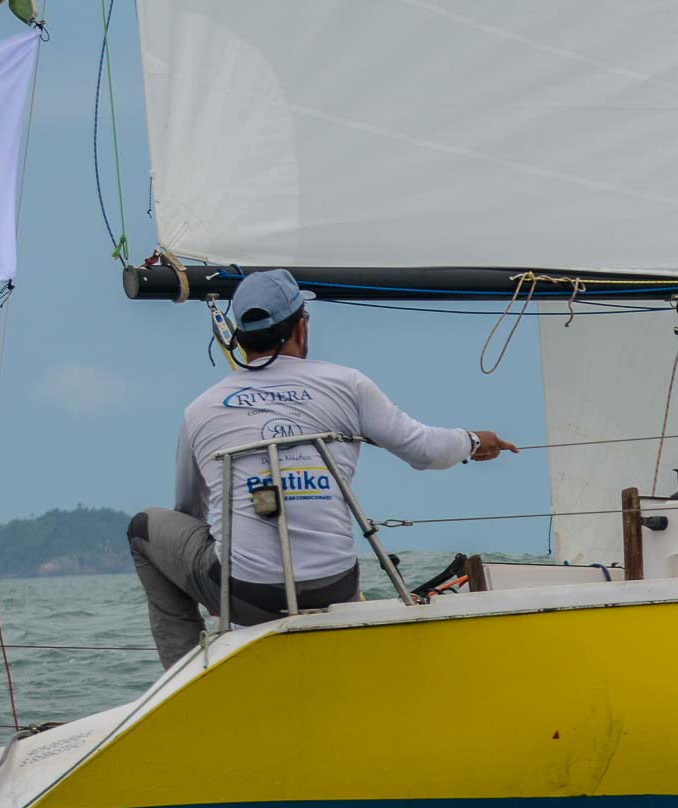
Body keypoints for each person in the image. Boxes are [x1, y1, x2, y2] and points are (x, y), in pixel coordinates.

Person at [128, 269, 517, 667]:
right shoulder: (347, 385)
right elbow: (425, 450)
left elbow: (189, 511)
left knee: (142, 529)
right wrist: (474, 441)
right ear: (301, 326)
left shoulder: (200, 410)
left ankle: (189, 674)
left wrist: (213, 582)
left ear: (239, 338)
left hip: (245, 596)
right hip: (335, 587)